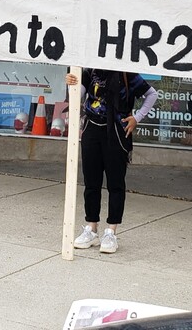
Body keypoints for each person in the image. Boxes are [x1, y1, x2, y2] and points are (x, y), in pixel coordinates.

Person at [66, 69, 158, 254]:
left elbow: (152, 94)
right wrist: (72, 84)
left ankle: (111, 232)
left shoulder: (126, 73)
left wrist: (137, 118)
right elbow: (78, 96)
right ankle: (91, 228)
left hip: (116, 131)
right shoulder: (89, 71)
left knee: (116, 183)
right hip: (92, 128)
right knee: (91, 182)